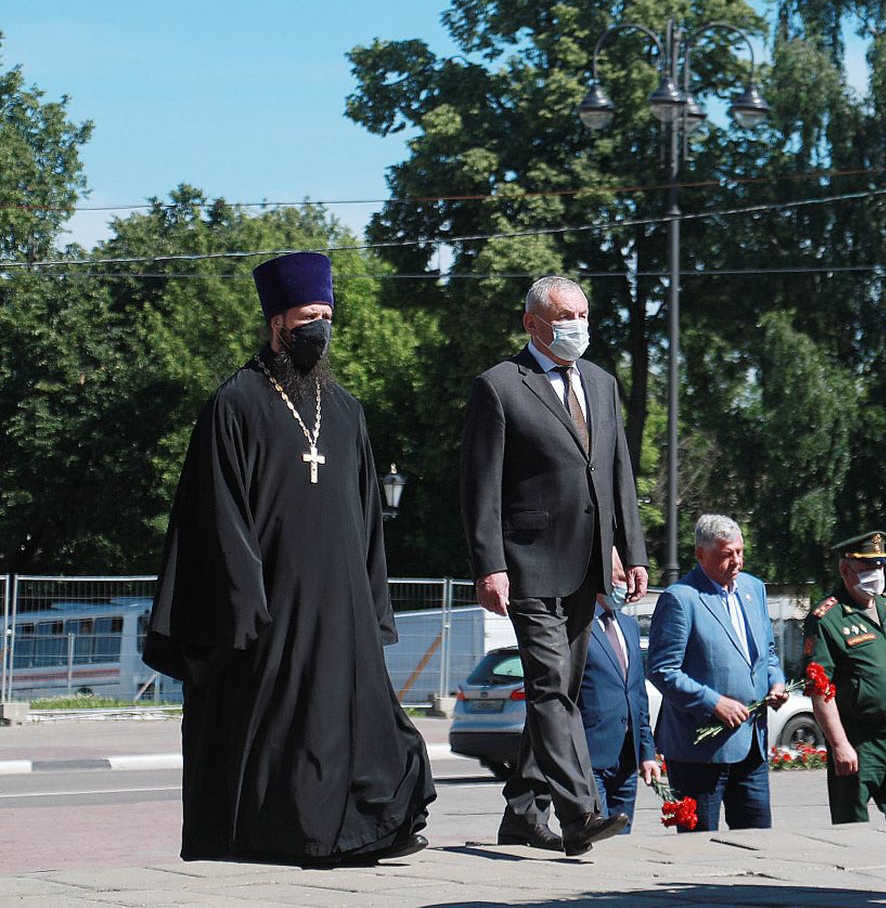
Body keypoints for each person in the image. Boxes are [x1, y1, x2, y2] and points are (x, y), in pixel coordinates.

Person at [143, 251, 433, 865]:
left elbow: (367, 518)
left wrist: (372, 603)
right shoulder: (236, 403)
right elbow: (216, 512)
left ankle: (362, 830)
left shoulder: (346, 409)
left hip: (342, 603)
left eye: (327, 315)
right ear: (277, 321)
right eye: (308, 316)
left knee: (357, 721)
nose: (319, 327)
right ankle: (292, 835)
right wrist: (244, 600)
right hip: (271, 602)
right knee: (287, 726)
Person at [462, 274, 646, 856]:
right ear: (532, 323)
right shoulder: (499, 386)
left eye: (584, 315)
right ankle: (580, 813)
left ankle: (522, 812)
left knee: (561, 687)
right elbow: (480, 486)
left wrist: (631, 551)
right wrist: (489, 565)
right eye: (565, 316)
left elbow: (617, 473)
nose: (578, 326)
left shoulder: (602, 383)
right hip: (527, 563)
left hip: (588, 565)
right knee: (549, 686)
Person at [649, 514, 788, 831]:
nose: (736, 561)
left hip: (751, 744)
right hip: (699, 752)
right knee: (700, 844)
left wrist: (776, 682)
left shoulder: (753, 588)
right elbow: (663, 669)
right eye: (726, 554)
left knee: (758, 842)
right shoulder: (680, 598)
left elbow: (765, 654)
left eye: (740, 551)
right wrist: (714, 703)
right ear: (700, 554)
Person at [806, 531, 886, 823]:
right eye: (867, 567)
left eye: (880, 565)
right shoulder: (828, 618)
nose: (876, 574)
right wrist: (839, 744)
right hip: (860, 742)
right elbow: (820, 689)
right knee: (851, 828)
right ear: (845, 569)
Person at [579, 552, 658, 832]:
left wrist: (647, 752)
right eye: (622, 577)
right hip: (591, 754)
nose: (627, 585)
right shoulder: (577, 625)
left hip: (627, 756)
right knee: (598, 832)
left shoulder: (629, 626)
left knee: (623, 834)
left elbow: (637, 693)